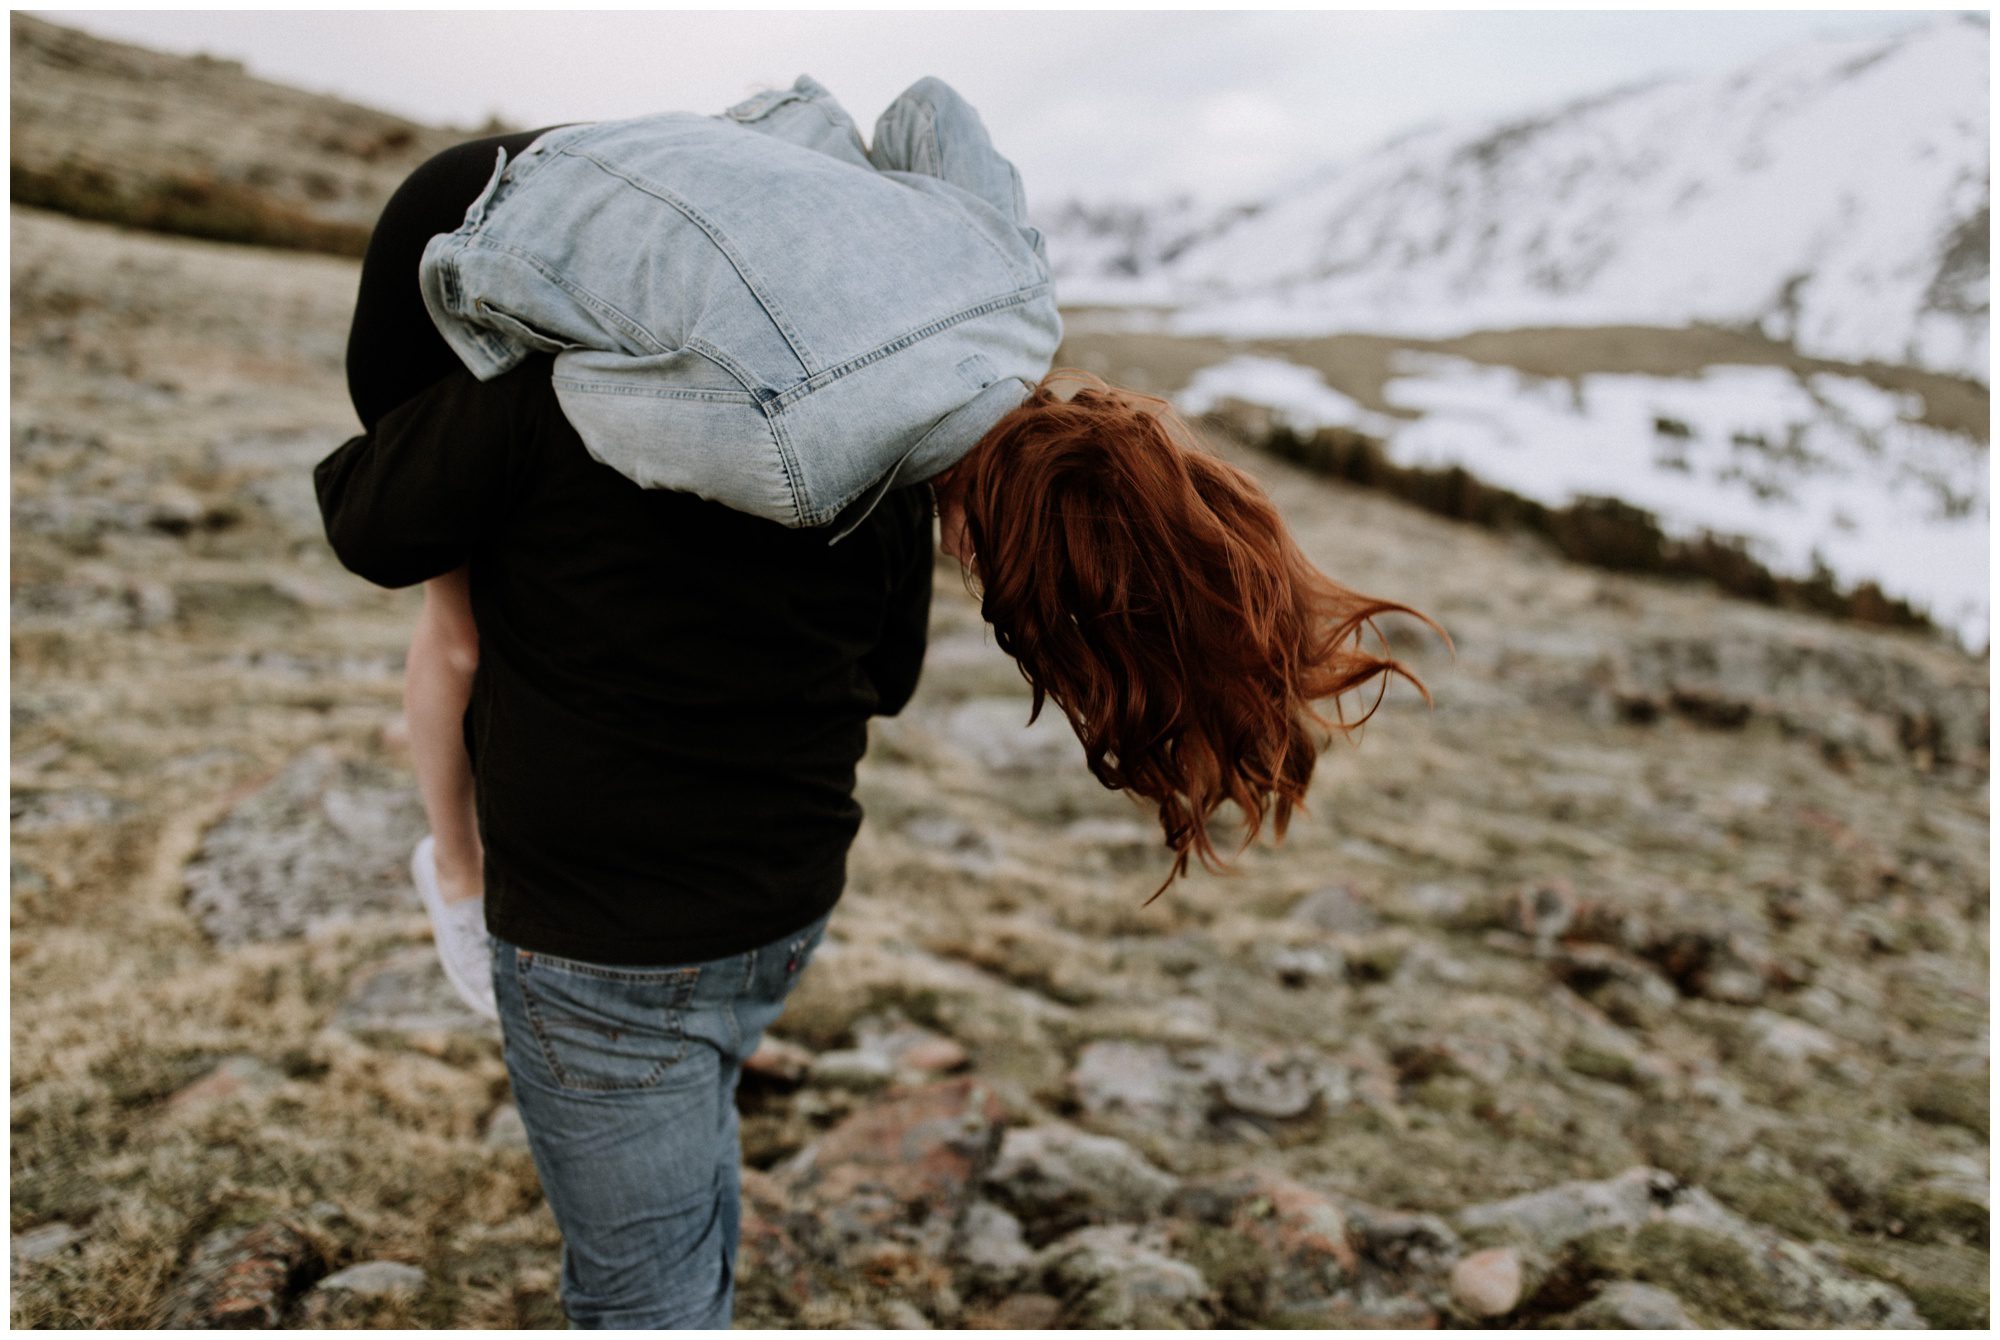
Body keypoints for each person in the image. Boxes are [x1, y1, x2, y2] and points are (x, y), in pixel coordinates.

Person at [316, 77, 1440, 1331]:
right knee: (669, 1182)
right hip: (775, 900)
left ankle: (457, 882)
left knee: (645, 1288)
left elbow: (397, 509)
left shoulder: (953, 320)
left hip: (603, 942)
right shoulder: (854, 463)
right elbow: (883, 672)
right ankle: (473, 896)